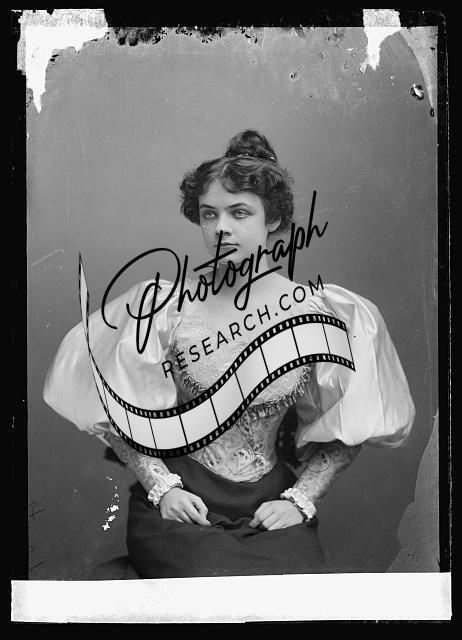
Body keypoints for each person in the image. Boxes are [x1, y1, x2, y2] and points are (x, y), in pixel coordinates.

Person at [43, 130, 415, 578]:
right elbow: (114, 409)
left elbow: (351, 424)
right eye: (209, 214)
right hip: (182, 505)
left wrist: (301, 499)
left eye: (239, 212)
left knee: (294, 592)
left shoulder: (322, 314)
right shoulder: (164, 308)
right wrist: (163, 489)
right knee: (207, 579)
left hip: (269, 505)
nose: (221, 227)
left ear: (274, 219)